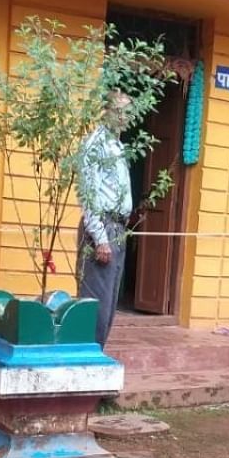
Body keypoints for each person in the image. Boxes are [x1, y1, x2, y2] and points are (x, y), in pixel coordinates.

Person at [76, 91, 134, 347]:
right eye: (118, 111)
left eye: (127, 112)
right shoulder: (95, 144)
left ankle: (97, 357)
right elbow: (89, 195)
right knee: (95, 307)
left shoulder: (117, 145)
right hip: (103, 229)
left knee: (109, 305)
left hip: (118, 229)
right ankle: (87, 362)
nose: (123, 117)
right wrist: (100, 238)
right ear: (106, 112)